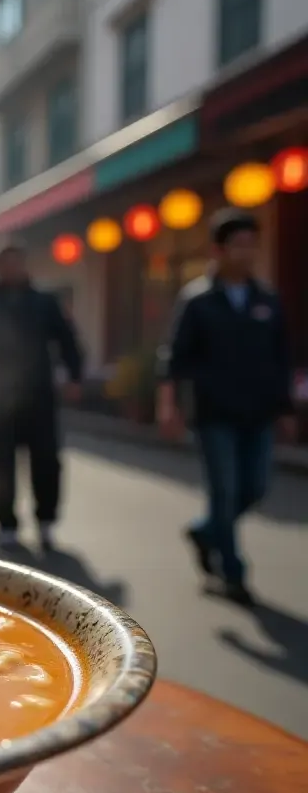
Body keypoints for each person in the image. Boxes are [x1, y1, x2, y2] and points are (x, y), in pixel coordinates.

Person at [157, 208, 295, 606]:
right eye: (239, 244)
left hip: (258, 414)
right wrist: (169, 405)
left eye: (252, 244)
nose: (247, 252)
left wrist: (285, 410)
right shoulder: (198, 300)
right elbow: (174, 358)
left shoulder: (267, 300)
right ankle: (232, 574)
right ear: (218, 250)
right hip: (214, 414)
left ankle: (204, 531)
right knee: (225, 490)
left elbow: (280, 358)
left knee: (255, 488)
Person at [0, 241, 83, 551]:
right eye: (6, 263)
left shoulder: (44, 302)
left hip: (38, 395)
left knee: (46, 461)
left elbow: (67, 339)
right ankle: (7, 524)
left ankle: (45, 520)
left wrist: (74, 374)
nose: (12, 269)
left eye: (17, 262)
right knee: (2, 463)